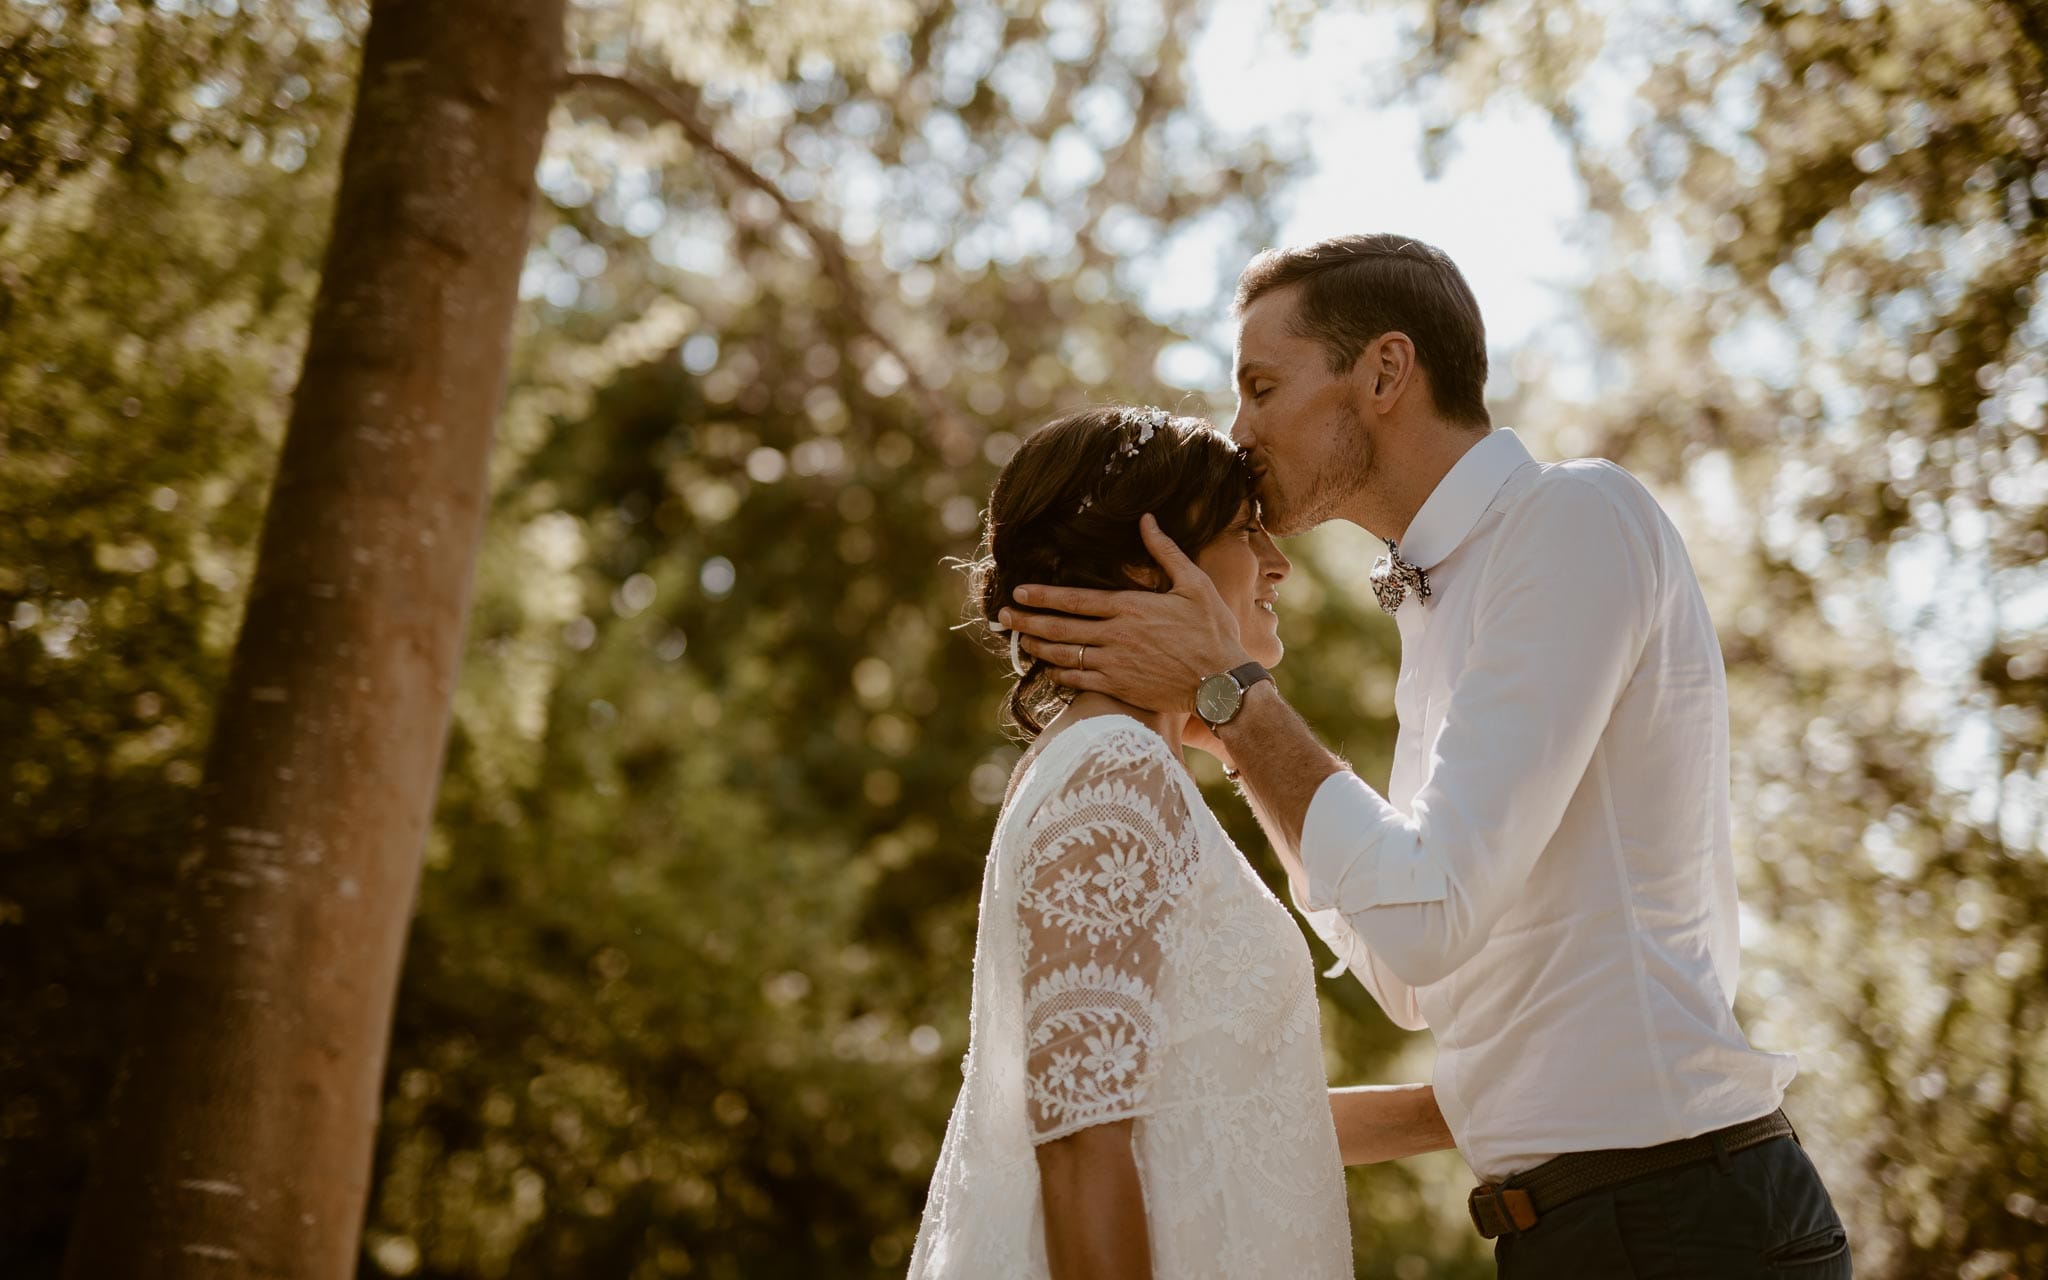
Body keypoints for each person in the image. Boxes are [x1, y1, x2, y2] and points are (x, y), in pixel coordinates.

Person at [999, 236, 1852, 1277]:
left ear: (1385, 372)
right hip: (1576, 1229)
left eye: (1261, 386)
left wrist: (1230, 695)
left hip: (1679, 1212)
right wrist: (1229, 717)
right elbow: (1410, 974)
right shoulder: (1432, 602)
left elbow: (1427, 916)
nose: (1240, 430)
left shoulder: (1569, 522)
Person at [908, 405, 1452, 1280]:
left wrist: (1462, 1113)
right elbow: (1081, 1141)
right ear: (1143, 563)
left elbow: (1226, 1117)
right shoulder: (1112, 769)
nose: (1278, 562)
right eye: (1245, 532)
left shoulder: (1127, 768)